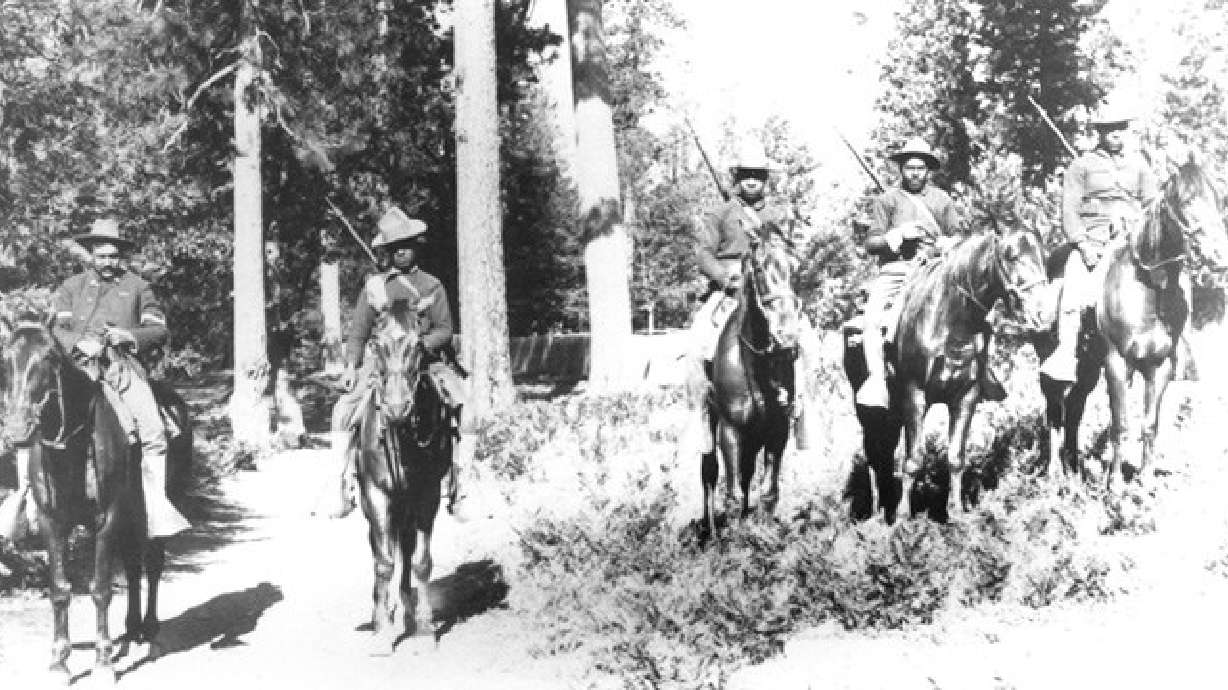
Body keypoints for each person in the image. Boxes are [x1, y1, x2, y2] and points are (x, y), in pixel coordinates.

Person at [327, 207, 473, 520]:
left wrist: (420, 345)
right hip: (381, 364)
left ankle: (463, 487)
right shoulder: (375, 288)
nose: (401, 252)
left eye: (406, 245)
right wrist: (352, 366)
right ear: (388, 252)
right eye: (394, 248)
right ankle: (342, 485)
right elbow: (357, 335)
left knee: (465, 407)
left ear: (416, 247)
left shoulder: (432, 286)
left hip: (425, 362)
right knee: (343, 411)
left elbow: (444, 329)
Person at [51, 218, 191, 539]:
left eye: (113, 256)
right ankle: (25, 506)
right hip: (76, 367)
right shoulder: (71, 287)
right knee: (34, 419)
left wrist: (126, 336)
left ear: (122, 256)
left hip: (120, 366)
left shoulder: (139, 287)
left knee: (154, 430)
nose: (107, 262)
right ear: (90, 254)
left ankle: (157, 507)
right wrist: (77, 343)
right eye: (101, 256)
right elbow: (57, 328)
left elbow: (158, 330)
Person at [857, 136, 1006, 408]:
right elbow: (871, 242)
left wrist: (947, 243)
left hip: (936, 269)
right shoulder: (887, 200)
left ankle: (983, 372)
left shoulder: (942, 200)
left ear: (928, 170)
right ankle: (877, 379)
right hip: (898, 270)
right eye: (909, 167)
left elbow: (958, 237)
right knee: (873, 319)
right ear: (901, 169)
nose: (915, 173)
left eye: (920, 168)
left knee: (978, 315)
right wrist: (897, 235)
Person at [684, 142, 812, 454]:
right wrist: (723, 276)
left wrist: (782, 266)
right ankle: (699, 417)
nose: (751, 180)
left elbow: (793, 250)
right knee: (696, 344)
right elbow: (703, 253)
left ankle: (800, 411)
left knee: (808, 342)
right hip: (729, 288)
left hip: (768, 287)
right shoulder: (719, 213)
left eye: (757, 175)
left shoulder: (778, 215)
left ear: (765, 180)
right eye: (746, 175)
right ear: (737, 179)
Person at [1042, 108, 1158, 382]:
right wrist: (1082, 244)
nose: (1116, 134)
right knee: (1074, 279)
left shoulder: (1139, 166)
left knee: (1167, 276)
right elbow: (1069, 211)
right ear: (1100, 133)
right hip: (1094, 239)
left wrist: (1138, 222)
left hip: (1133, 237)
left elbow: (1152, 205)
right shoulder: (1081, 166)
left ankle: (1177, 344)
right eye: (1109, 129)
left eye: (1120, 128)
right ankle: (1066, 351)